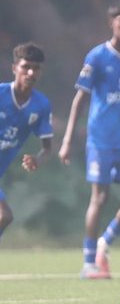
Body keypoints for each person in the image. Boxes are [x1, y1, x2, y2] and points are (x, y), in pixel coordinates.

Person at [59, 0, 120, 279]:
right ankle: (89, 262)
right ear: (112, 22)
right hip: (101, 140)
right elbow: (80, 99)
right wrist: (67, 140)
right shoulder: (97, 56)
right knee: (99, 197)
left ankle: (105, 241)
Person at [0, 43, 53, 238]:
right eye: (25, 67)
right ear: (15, 68)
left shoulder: (41, 105)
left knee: (4, 217)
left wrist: (37, 159)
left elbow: (47, 148)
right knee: (4, 215)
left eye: (36, 68)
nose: (31, 72)